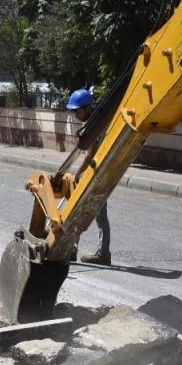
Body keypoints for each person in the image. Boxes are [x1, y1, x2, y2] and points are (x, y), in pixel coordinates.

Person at [66, 88, 111, 266]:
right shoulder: (101, 121)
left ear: (88, 108)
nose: (76, 115)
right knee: (100, 216)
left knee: (79, 211)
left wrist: (77, 174)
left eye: (78, 111)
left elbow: (91, 152)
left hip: (96, 175)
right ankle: (103, 252)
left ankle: (72, 249)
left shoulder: (95, 125)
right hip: (103, 173)